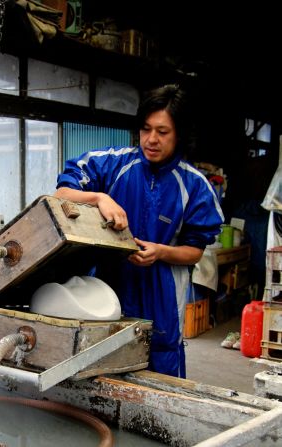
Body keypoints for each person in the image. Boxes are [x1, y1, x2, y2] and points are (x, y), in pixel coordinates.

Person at [54, 84, 224, 378]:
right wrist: (99, 198)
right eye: (146, 129)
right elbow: (61, 195)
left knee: (161, 365)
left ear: (180, 134)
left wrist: (161, 252)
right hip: (108, 284)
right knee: (102, 360)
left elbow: (195, 251)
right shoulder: (110, 164)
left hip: (163, 294)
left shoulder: (195, 186)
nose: (152, 139)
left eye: (162, 131)